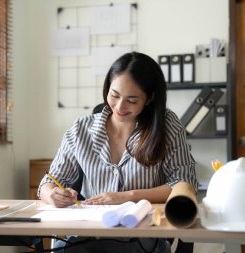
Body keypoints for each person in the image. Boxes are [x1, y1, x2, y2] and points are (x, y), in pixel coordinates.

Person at [38, 51, 198, 253]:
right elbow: (48, 183)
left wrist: (127, 196)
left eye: (132, 100)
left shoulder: (166, 126)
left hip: (142, 238)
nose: (120, 107)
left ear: (150, 98)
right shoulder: (80, 130)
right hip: (86, 236)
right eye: (114, 95)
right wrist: (53, 194)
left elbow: (184, 182)